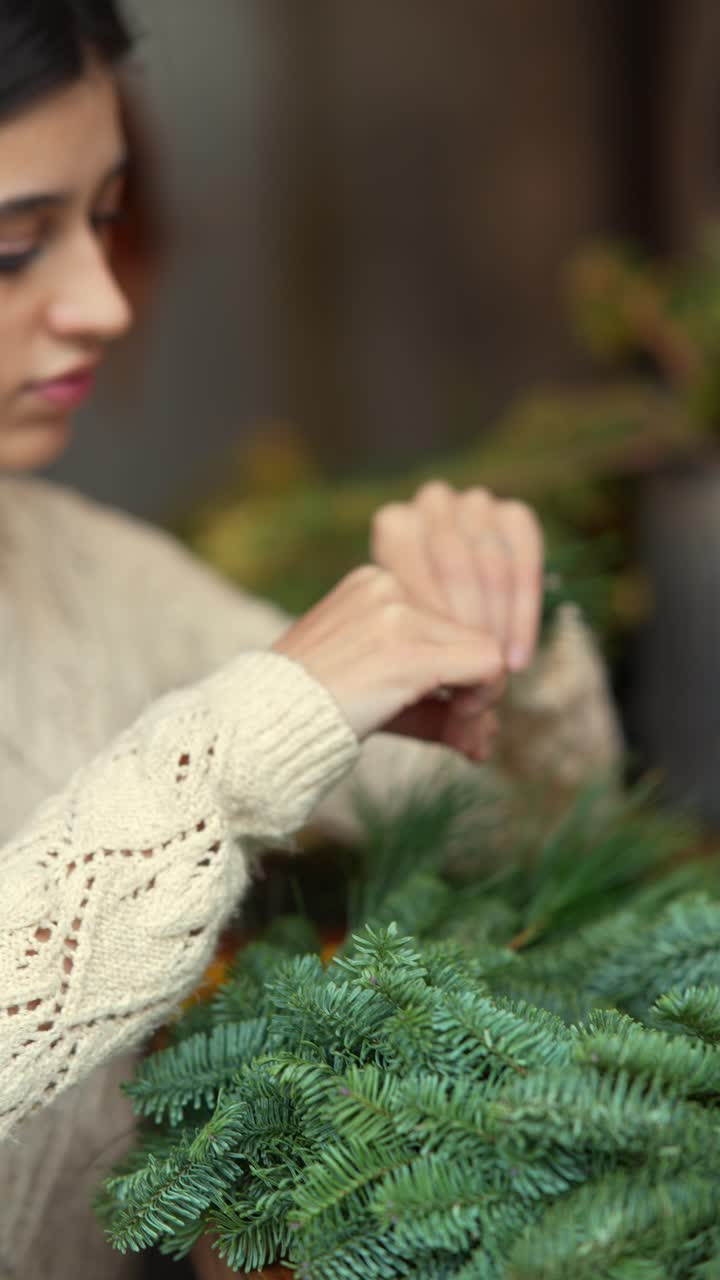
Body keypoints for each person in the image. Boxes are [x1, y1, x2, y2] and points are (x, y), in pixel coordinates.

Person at [0, 2, 621, 1276]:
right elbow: (248, 741)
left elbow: (505, 827)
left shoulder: (99, 582)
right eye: (14, 246)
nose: (102, 302)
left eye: (105, 217)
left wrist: (500, 626)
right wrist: (238, 745)